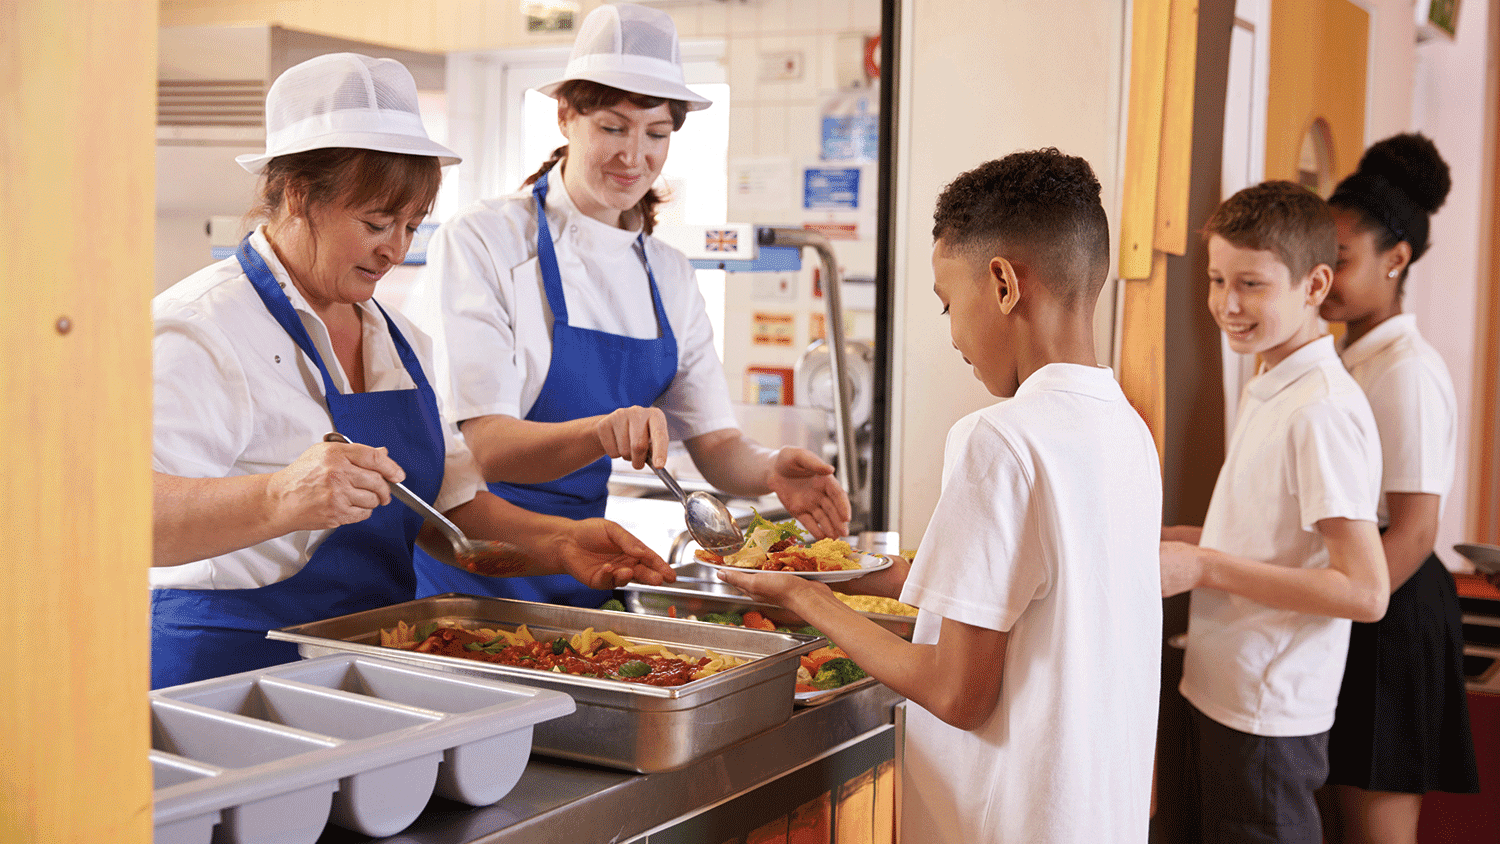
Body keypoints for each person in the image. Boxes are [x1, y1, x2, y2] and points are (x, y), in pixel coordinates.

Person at [151, 53, 672, 690]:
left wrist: (562, 544)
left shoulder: (399, 341)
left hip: (365, 674)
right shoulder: (202, 327)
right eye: (375, 223)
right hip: (226, 678)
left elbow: (450, 518)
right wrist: (280, 496)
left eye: (410, 226)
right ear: (296, 195)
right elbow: (121, 520)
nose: (395, 250)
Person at [721, 149, 1163, 843]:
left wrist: (806, 598)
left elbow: (959, 693)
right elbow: (1037, 597)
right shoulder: (1127, 430)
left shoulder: (999, 438)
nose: (953, 333)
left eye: (948, 304)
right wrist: (866, 572)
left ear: (1004, 284)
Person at [403, 3, 850, 608]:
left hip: (589, 571)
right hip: (480, 571)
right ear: (566, 116)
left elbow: (717, 447)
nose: (634, 156)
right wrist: (603, 431)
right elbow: (489, 448)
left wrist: (770, 469)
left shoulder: (667, 273)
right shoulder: (484, 240)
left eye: (656, 134)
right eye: (613, 128)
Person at [1160, 180, 1390, 843]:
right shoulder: (1269, 380)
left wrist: (1202, 564)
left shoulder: (1321, 408)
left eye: (1252, 284)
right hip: (1222, 688)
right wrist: (1184, 540)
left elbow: (1364, 589)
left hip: (1267, 715)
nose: (1227, 305)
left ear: (1315, 285)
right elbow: (1276, 539)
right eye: (1216, 279)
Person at [1316, 133, 1480, 843]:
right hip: (1363, 597)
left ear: (1397, 259)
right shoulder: (1351, 357)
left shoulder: (1405, 371)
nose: (1321, 276)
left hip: (1392, 608)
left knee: (1376, 825)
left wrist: (1334, 609)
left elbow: (1414, 530)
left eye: (1341, 260)